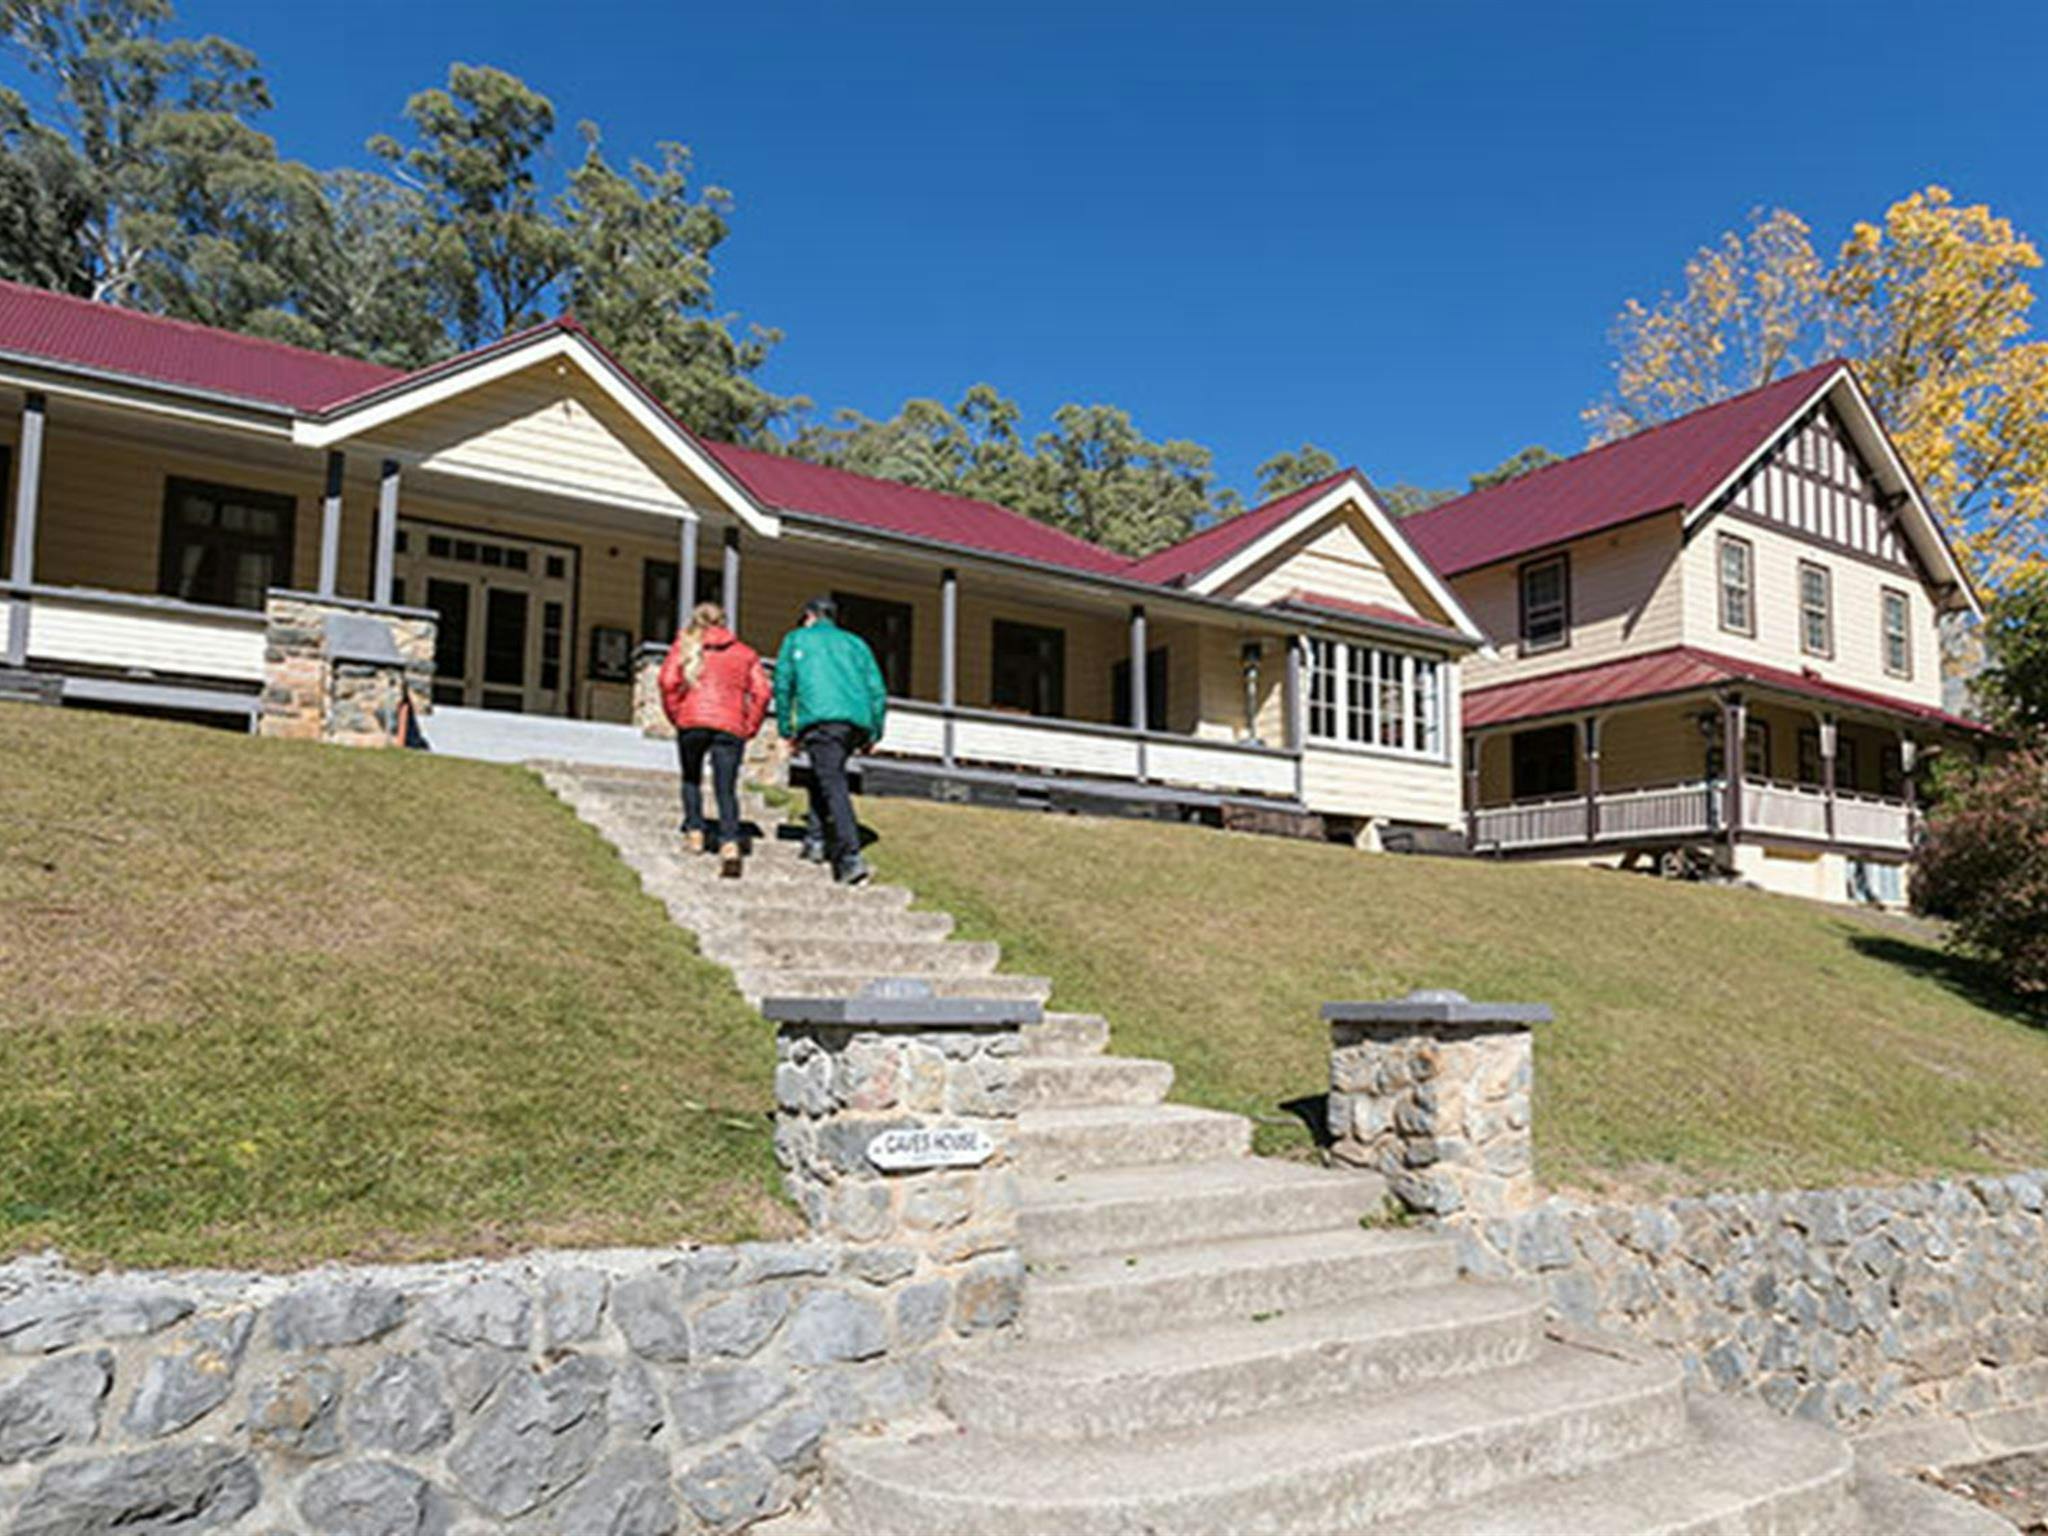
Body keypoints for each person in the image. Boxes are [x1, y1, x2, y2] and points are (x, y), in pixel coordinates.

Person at [773, 596, 887, 886]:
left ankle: (850, 857)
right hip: (853, 723)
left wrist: (786, 728)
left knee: (832, 782)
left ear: (810, 616)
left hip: (821, 720)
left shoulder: (797, 639)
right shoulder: (856, 644)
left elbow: (783, 684)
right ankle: (815, 840)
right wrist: (874, 731)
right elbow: (877, 690)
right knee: (823, 775)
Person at [659, 601, 770, 879]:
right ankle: (729, 843)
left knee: (691, 778)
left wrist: (676, 714)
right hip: (730, 724)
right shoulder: (745, 654)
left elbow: (667, 682)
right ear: (724, 622)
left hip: (692, 720)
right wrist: (750, 725)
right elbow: (763, 693)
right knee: (726, 787)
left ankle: (695, 833)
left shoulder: (684, 646)